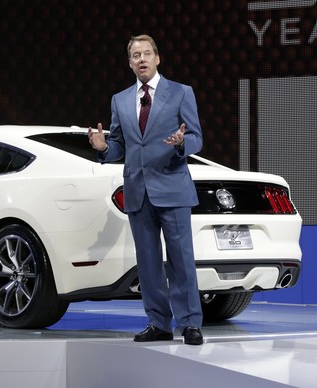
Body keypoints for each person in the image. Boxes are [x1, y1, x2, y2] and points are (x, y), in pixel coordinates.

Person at [88, 34, 204, 345]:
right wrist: (103, 148)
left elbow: (195, 138)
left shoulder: (181, 93)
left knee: (181, 259)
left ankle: (190, 323)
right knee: (149, 263)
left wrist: (182, 144)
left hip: (173, 188)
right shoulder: (120, 100)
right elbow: (119, 146)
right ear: (129, 62)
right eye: (136, 55)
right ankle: (158, 323)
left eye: (147, 53)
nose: (141, 59)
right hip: (138, 192)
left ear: (157, 58)